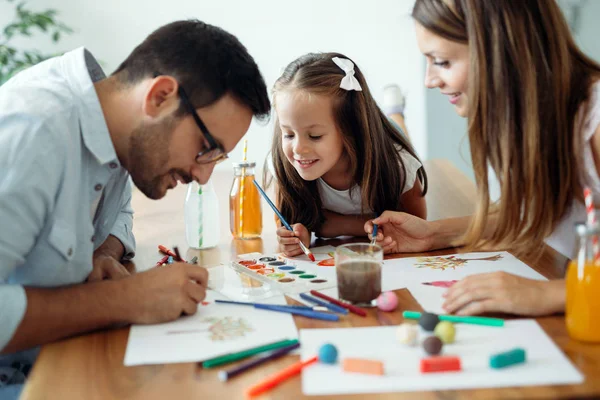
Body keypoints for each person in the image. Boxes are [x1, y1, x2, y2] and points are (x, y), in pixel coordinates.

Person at [0, 19, 270, 394]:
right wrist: (124, 299)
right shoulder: (33, 133)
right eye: (206, 148)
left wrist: (100, 253)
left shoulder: (116, 136)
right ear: (160, 97)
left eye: (217, 159)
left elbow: (120, 216)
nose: (203, 177)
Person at [367, 0, 600, 317]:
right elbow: (530, 212)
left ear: (503, 51)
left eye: (443, 62)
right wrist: (434, 233)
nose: (430, 80)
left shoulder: (594, 121)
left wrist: (549, 293)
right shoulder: (524, 120)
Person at [269, 52, 427, 257]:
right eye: (289, 134)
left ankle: (395, 110)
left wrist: (330, 225)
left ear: (351, 129)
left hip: (385, 141)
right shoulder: (283, 164)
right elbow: (288, 224)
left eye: (315, 136)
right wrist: (298, 236)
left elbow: (418, 227)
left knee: (397, 127)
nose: (298, 148)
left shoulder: (398, 164)